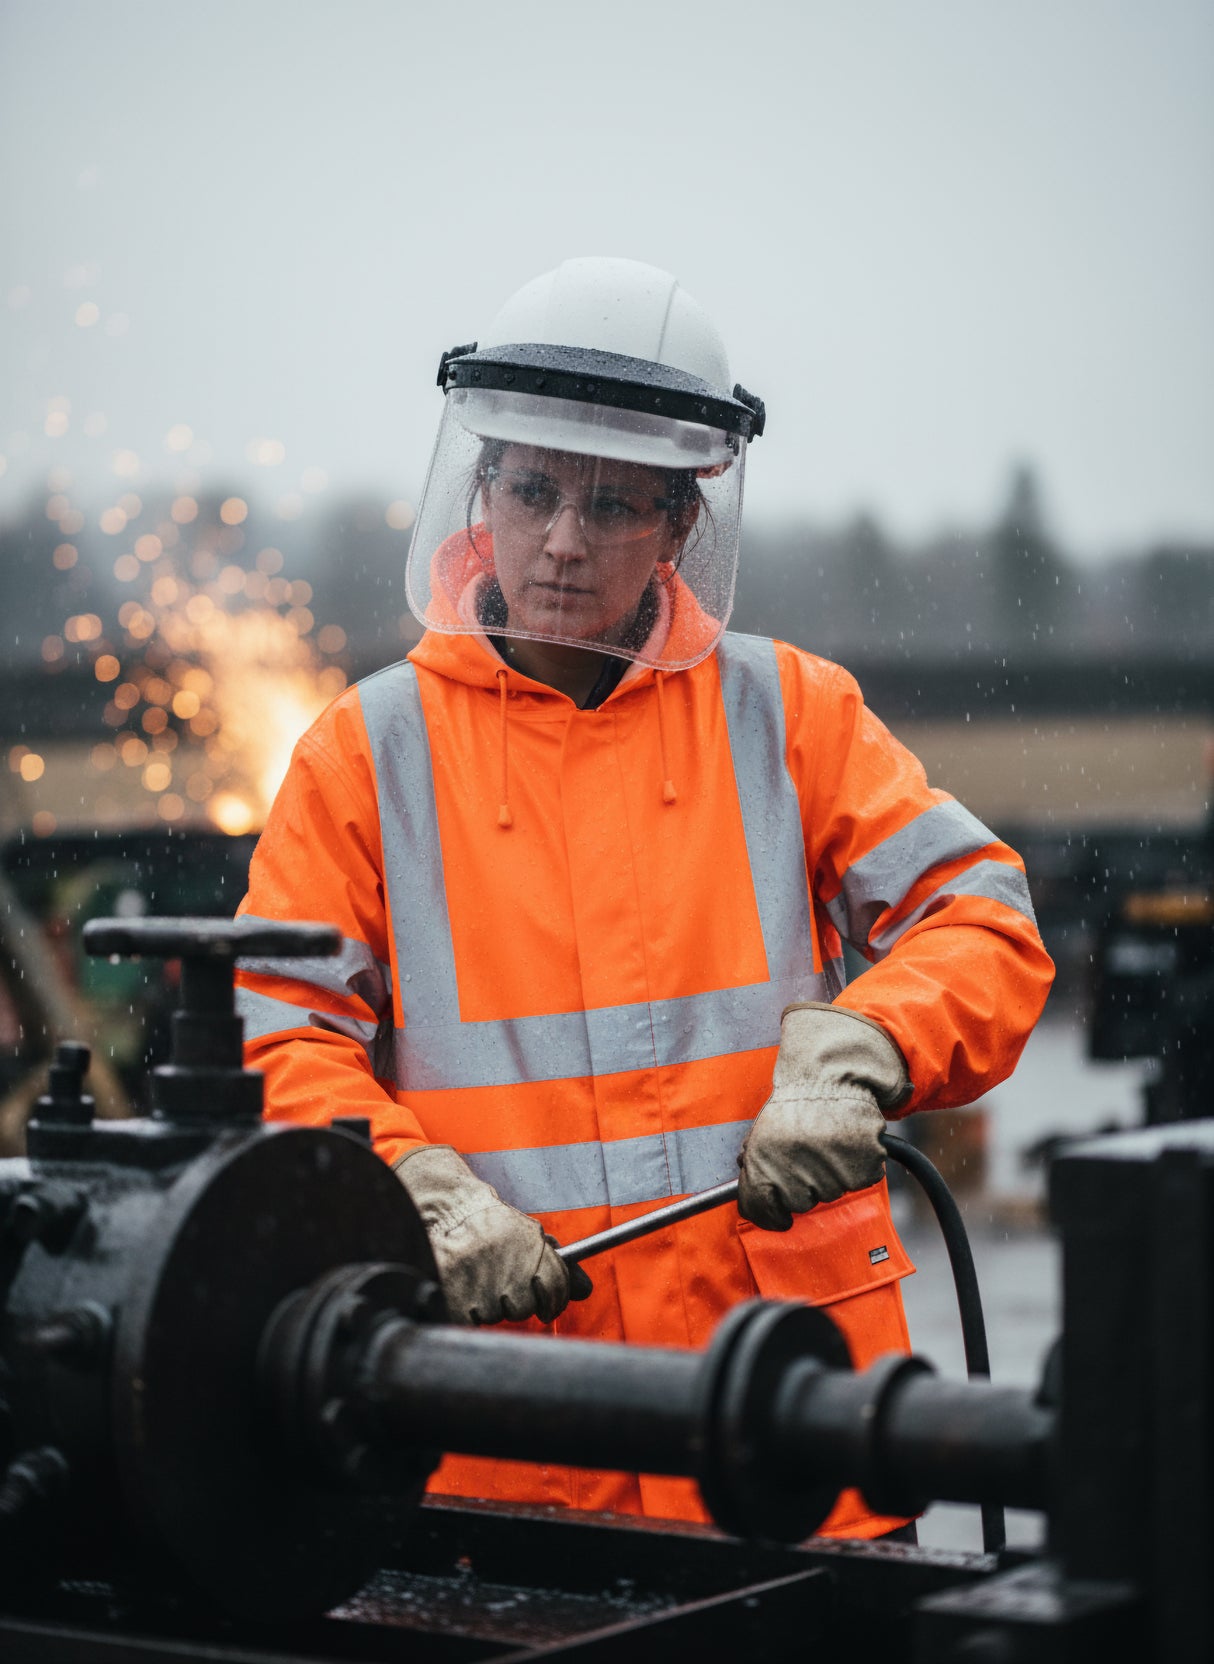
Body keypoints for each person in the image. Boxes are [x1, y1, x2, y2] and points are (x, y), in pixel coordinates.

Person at [235, 257, 1054, 1537]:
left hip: (791, 1433)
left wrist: (863, 1052)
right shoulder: (363, 754)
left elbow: (982, 919)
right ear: (482, 486)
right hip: (503, 1435)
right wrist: (416, 1193)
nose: (564, 538)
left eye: (615, 505)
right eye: (535, 489)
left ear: (682, 525)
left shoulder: (790, 713)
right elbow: (279, 1035)